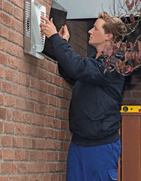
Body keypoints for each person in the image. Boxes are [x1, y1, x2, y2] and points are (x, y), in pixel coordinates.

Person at [40, 12, 127, 181]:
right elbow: (72, 72)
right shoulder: (94, 62)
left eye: (95, 28)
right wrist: (62, 43)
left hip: (101, 146)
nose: (89, 31)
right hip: (79, 144)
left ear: (109, 35)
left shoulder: (115, 63)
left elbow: (78, 67)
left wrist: (55, 38)